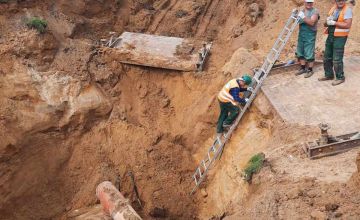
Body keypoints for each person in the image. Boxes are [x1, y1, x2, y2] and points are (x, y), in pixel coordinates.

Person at [319, 0, 353, 86]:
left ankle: (340, 77)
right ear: (335, 1)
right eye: (338, 0)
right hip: (331, 35)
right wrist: (327, 22)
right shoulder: (333, 9)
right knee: (327, 56)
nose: (340, 2)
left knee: (337, 58)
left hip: (340, 37)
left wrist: (334, 22)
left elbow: (348, 24)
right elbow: (325, 24)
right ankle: (329, 74)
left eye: (342, 0)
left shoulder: (347, 10)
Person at [295, 0, 319, 78]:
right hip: (302, 34)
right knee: (300, 51)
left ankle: (310, 69)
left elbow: (312, 22)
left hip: (310, 34)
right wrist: (295, 15)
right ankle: (303, 68)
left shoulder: (315, 11)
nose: (309, 4)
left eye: (310, 2)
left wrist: (303, 17)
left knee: (309, 52)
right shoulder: (302, 11)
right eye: (307, 2)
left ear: (312, 3)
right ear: (305, 2)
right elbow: (297, 21)